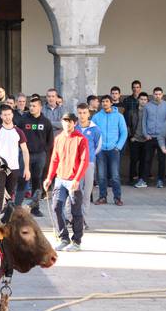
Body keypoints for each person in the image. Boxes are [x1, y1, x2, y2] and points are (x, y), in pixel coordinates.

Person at [45, 113, 89, 252]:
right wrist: (49, 178)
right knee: (56, 207)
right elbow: (54, 159)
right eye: (65, 121)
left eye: (70, 121)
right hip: (60, 179)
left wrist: (77, 179)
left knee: (75, 211)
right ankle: (64, 238)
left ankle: (77, 241)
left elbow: (84, 161)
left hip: (73, 180)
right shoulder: (58, 138)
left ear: (75, 123)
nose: (67, 124)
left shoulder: (81, 139)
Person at [0, 105, 31, 213]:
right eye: (5, 115)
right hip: (0, 164)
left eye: (9, 114)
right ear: (1, 116)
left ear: (12, 115)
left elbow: (25, 150)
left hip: (14, 166)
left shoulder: (18, 131)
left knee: (9, 195)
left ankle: (6, 218)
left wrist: (27, 168)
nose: (7, 117)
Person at [15, 97, 53, 216]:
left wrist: (44, 151)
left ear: (40, 107)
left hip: (40, 155)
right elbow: (16, 135)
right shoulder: (23, 120)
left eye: (34, 106)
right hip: (25, 155)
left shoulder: (46, 122)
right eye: (30, 106)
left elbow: (50, 140)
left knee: (37, 181)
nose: (31, 108)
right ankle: (17, 208)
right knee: (22, 180)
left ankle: (35, 208)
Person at [92, 95, 128, 205]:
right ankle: (102, 197)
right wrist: (96, 147)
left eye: (107, 101)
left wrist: (118, 146)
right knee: (101, 176)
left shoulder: (119, 116)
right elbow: (92, 132)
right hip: (101, 150)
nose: (105, 103)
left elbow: (124, 132)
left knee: (115, 175)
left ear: (111, 103)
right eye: (102, 101)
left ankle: (117, 198)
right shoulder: (97, 117)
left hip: (114, 149)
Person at [75, 103, 102, 224]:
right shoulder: (74, 128)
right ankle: (73, 217)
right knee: (76, 191)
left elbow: (98, 146)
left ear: (88, 113)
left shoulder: (95, 129)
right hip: (76, 165)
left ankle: (83, 219)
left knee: (87, 192)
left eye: (84, 113)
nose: (82, 115)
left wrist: (89, 156)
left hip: (89, 163)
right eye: (80, 113)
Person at [142, 87, 166, 188]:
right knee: (147, 159)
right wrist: (145, 134)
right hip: (150, 137)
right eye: (156, 94)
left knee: (161, 160)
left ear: (162, 95)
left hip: (161, 137)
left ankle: (160, 180)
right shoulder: (147, 106)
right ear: (153, 95)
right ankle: (144, 180)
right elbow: (144, 121)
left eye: (159, 94)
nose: (157, 96)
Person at [128, 92, 148, 187]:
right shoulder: (132, 111)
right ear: (138, 100)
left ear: (147, 101)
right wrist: (131, 136)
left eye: (145, 100)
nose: (143, 101)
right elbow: (128, 125)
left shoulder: (149, 112)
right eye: (141, 99)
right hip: (135, 139)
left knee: (143, 161)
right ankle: (131, 178)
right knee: (134, 160)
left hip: (145, 140)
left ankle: (141, 179)